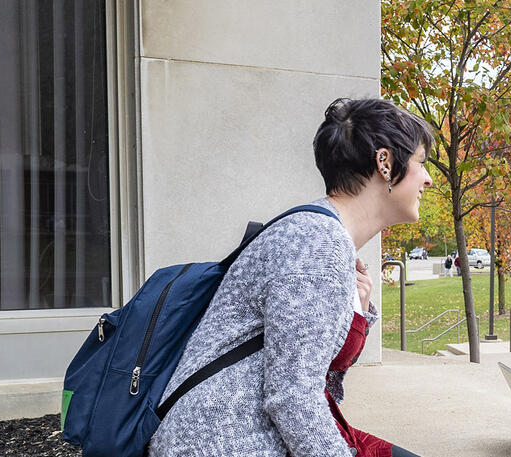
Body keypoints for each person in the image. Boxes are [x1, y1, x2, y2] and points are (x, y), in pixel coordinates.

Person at [150, 98, 433, 457]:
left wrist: (356, 314)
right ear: (385, 162)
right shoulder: (315, 244)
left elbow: (316, 381)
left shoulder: (320, 235)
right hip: (226, 441)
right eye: (420, 162)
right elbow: (293, 400)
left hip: (243, 432)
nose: (427, 178)